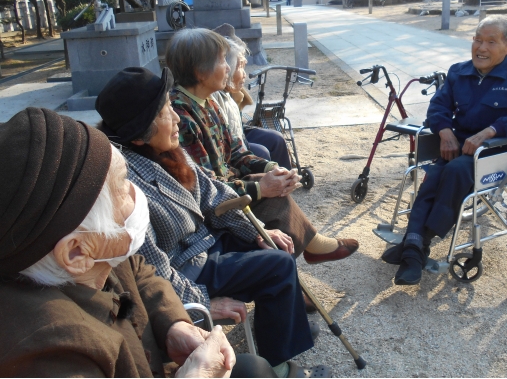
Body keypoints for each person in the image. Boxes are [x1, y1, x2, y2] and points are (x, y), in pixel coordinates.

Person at [0, 107, 274, 377]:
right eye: (121, 184)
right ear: (75, 253)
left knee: (255, 369)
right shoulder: (48, 354)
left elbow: (139, 272)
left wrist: (174, 324)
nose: (135, 191)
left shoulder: (100, 254)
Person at [95, 68, 329, 378]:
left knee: (275, 241)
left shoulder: (166, 149)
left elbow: (214, 193)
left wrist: (256, 231)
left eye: (170, 105)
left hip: (207, 241)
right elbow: (152, 267)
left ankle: (281, 330)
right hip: (186, 266)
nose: (176, 118)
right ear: (138, 135)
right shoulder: (126, 182)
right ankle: (278, 367)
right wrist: (201, 301)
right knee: (278, 266)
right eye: (165, 113)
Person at [165, 27, 358, 265]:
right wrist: (260, 188)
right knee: (273, 200)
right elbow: (206, 187)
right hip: (207, 210)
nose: (229, 68)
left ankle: (299, 260)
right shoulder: (181, 116)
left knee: (273, 187)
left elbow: (236, 151)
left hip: (223, 190)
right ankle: (301, 258)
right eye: (223, 60)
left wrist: (271, 168)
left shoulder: (207, 102)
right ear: (200, 72)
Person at [385, 15, 507, 285]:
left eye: (491, 42)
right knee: (433, 176)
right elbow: (438, 107)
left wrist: (490, 131)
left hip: (497, 152)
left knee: (455, 171)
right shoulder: (458, 72)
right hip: (458, 148)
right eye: (477, 40)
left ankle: (416, 245)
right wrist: (444, 131)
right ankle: (414, 247)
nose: (481, 48)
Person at [212, 23, 292, 168]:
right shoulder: (215, 95)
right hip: (229, 142)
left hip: (238, 133)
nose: (245, 74)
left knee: (276, 139)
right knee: (261, 152)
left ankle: (286, 178)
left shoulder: (232, 93)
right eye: (241, 67)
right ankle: (268, 180)